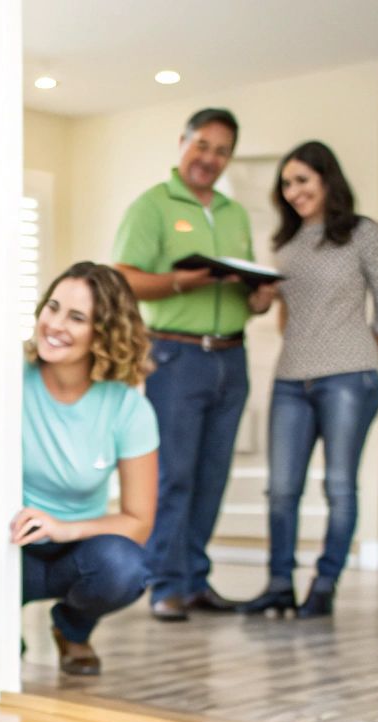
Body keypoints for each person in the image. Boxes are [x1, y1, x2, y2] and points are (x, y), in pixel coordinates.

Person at [111, 108, 268, 622]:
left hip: (230, 355)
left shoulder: (235, 214)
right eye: (203, 145)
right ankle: (164, 583)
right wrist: (187, 281)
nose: (210, 159)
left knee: (211, 476)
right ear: (182, 143)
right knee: (173, 475)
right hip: (175, 355)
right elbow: (124, 278)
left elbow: (246, 296)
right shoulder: (153, 206)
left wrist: (260, 293)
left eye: (222, 151)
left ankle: (196, 580)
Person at [237, 141, 378, 619]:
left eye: (302, 181)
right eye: (286, 184)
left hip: (348, 378)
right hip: (291, 378)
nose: (293, 192)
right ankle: (277, 584)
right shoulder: (285, 245)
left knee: (339, 486)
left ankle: (325, 584)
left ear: (327, 180)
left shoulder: (361, 234)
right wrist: (260, 298)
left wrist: (366, 356)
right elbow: (277, 312)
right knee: (283, 488)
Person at [14, 262, 158, 676]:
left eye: (77, 317)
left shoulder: (128, 408)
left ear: (104, 333)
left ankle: (73, 629)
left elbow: (138, 521)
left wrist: (63, 528)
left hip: (78, 548)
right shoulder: (9, 378)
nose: (55, 324)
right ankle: (1, 624)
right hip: (11, 546)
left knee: (124, 567)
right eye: (53, 308)